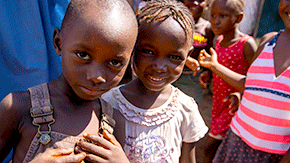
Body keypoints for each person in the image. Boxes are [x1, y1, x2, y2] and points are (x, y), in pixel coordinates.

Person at [0, 0, 138, 162]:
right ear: (58, 43)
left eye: (114, 63)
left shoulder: (114, 121)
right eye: (83, 55)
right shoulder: (18, 107)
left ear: (129, 62)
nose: (96, 76)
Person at [83, 0, 208, 162]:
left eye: (175, 57)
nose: (160, 67)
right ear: (132, 47)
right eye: (148, 52)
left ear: (188, 55)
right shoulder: (108, 104)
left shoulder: (186, 109)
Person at [199, 0, 290, 162]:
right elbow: (252, 83)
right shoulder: (267, 42)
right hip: (237, 138)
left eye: (222, 15)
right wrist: (241, 95)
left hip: (271, 153)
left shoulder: (246, 43)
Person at [197, 0, 257, 162]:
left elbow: (254, 79)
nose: (215, 20)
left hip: (234, 106)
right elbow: (218, 66)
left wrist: (239, 92)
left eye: (222, 16)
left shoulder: (246, 44)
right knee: (220, 147)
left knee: (205, 147)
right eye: (213, 15)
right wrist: (209, 74)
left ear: (238, 18)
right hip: (218, 102)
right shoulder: (219, 40)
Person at [172, 0, 215, 103]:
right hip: (171, 71)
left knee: (188, 107)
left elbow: (208, 51)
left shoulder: (208, 28)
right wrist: (186, 59)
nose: (195, 3)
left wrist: (207, 71)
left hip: (192, 77)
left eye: (200, 0)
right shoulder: (174, 22)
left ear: (207, 3)